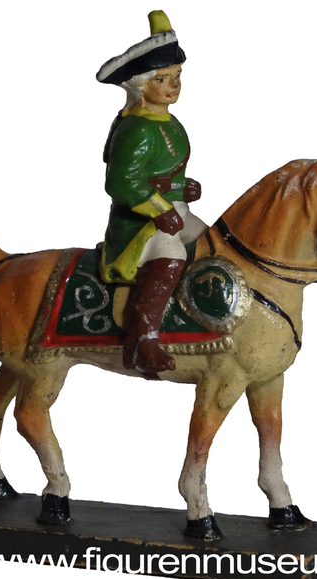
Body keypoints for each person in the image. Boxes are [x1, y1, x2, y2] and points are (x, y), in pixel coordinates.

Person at [97, 10, 207, 375]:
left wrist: (182, 188)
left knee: (210, 241)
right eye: (162, 78)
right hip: (139, 223)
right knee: (171, 253)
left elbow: (162, 174)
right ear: (141, 85)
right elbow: (120, 183)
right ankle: (142, 339)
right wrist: (161, 209)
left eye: (177, 76)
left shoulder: (170, 123)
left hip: (174, 211)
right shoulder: (136, 129)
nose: (174, 85)